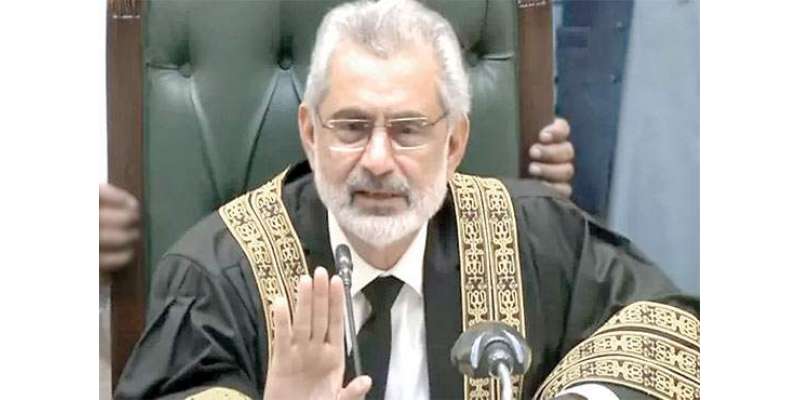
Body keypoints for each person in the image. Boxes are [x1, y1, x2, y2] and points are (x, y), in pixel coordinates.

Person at [115, 1, 698, 399]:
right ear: (310, 134)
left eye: (408, 130)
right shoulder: (219, 274)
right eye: (351, 127)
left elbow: (670, 327)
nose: (377, 159)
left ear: (455, 143)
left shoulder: (537, 238)